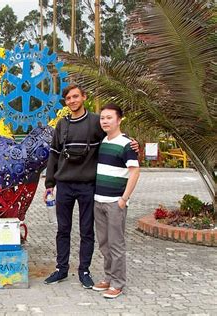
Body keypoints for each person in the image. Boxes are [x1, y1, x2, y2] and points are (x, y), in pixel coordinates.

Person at [43, 84, 104, 289]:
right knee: (63, 229)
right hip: (65, 185)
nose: (72, 101)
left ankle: (84, 271)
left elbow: (113, 139)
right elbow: (53, 154)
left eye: (75, 97)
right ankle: (61, 269)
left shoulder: (96, 122)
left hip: (88, 185)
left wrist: (130, 144)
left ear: (84, 97)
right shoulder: (62, 124)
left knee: (87, 230)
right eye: (68, 98)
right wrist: (49, 185)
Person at [92, 103, 140, 299]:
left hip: (115, 203)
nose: (105, 121)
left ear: (119, 120)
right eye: (102, 118)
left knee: (116, 244)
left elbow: (135, 171)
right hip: (98, 201)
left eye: (109, 117)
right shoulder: (102, 141)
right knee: (104, 243)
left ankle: (118, 283)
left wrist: (124, 199)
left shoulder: (127, 144)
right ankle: (109, 277)